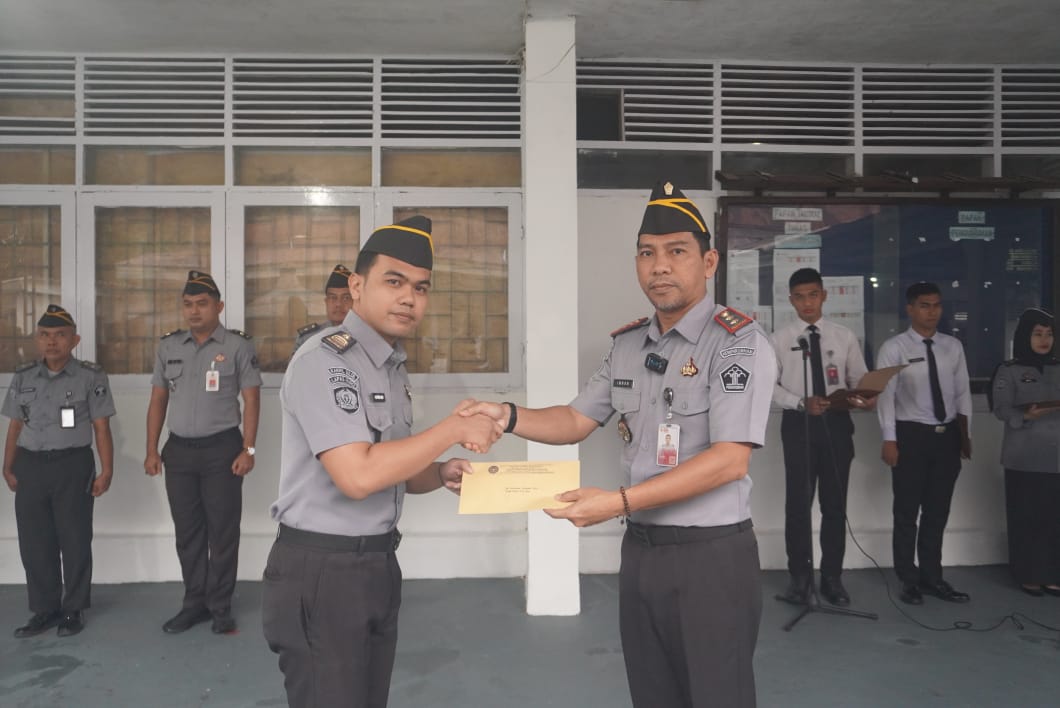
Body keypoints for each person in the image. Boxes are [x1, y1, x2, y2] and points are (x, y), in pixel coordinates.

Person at [462, 181, 776, 708]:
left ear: (709, 262)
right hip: (642, 553)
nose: (660, 266)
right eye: (647, 253)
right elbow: (575, 418)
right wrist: (506, 415)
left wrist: (616, 503)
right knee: (652, 694)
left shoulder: (737, 342)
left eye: (676, 251)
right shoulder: (629, 345)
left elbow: (728, 461)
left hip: (710, 558)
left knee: (717, 695)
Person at [262, 215, 502, 708]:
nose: (409, 298)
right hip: (324, 570)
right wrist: (453, 429)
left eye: (421, 287)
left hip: (375, 564)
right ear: (356, 286)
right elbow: (357, 475)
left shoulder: (389, 365)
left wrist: (439, 472)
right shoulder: (325, 360)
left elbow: (390, 466)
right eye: (394, 282)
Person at [144, 270, 262, 634]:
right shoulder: (169, 347)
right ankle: (194, 603)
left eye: (202, 304)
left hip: (222, 450)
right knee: (188, 532)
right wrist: (152, 450)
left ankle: (220, 606)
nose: (194, 311)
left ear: (219, 307)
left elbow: (252, 400)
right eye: (188, 304)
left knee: (222, 532)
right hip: (179, 451)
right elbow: (158, 399)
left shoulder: (237, 347)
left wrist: (249, 448)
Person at [2, 305, 115, 638]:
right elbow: (15, 425)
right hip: (31, 465)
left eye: (60, 335)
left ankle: (73, 609)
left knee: (75, 539)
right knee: (35, 542)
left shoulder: (90, 377)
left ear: (74, 340)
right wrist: (7, 465)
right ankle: (45, 609)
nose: (51, 342)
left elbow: (101, 427)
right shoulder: (23, 376)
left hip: (72, 465)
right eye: (45, 335)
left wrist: (107, 470)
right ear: (37, 340)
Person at [773, 268, 873, 607]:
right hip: (798, 425)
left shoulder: (843, 336)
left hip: (836, 424)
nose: (807, 303)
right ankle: (800, 579)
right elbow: (768, 387)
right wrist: (800, 402)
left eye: (813, 295)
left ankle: (832, 578)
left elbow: (859, 379)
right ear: (791, 300)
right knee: (798, 505)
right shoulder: (779, 339)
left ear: (824, 296)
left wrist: (863, 397)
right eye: (800, 297)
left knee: (834, 504)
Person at [876, 282, 972, 605]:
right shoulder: (894, 348)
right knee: (906, 512)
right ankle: (908, 579)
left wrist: (966, 435)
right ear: (910, 309)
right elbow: (886, 397)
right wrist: (889, 439)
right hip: (911, 436)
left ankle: (933, 577)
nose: (932, 312)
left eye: (936, 305)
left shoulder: (952, 346)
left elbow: (962, 393)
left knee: (937, 511)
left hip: (946, 437)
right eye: (925, 305)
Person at [989, 308, 1060, 597]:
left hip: (1056, 458)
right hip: (1024, 457)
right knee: (1027, 519)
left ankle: (1053, 574)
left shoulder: (1057, 366)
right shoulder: (1009, 370)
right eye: (1037, 334)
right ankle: (1029, 574)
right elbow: (1001, 409)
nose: (1044, 340)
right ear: (1024, 337)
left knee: (1054, 520)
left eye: (1049, 334)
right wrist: (1026, 415)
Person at [292, 263, 354, 354]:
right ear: (326, 302)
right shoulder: (307, 338)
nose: (338, 304)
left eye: (346, 298)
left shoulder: (364, 336)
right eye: (333, 297)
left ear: (355, 302)